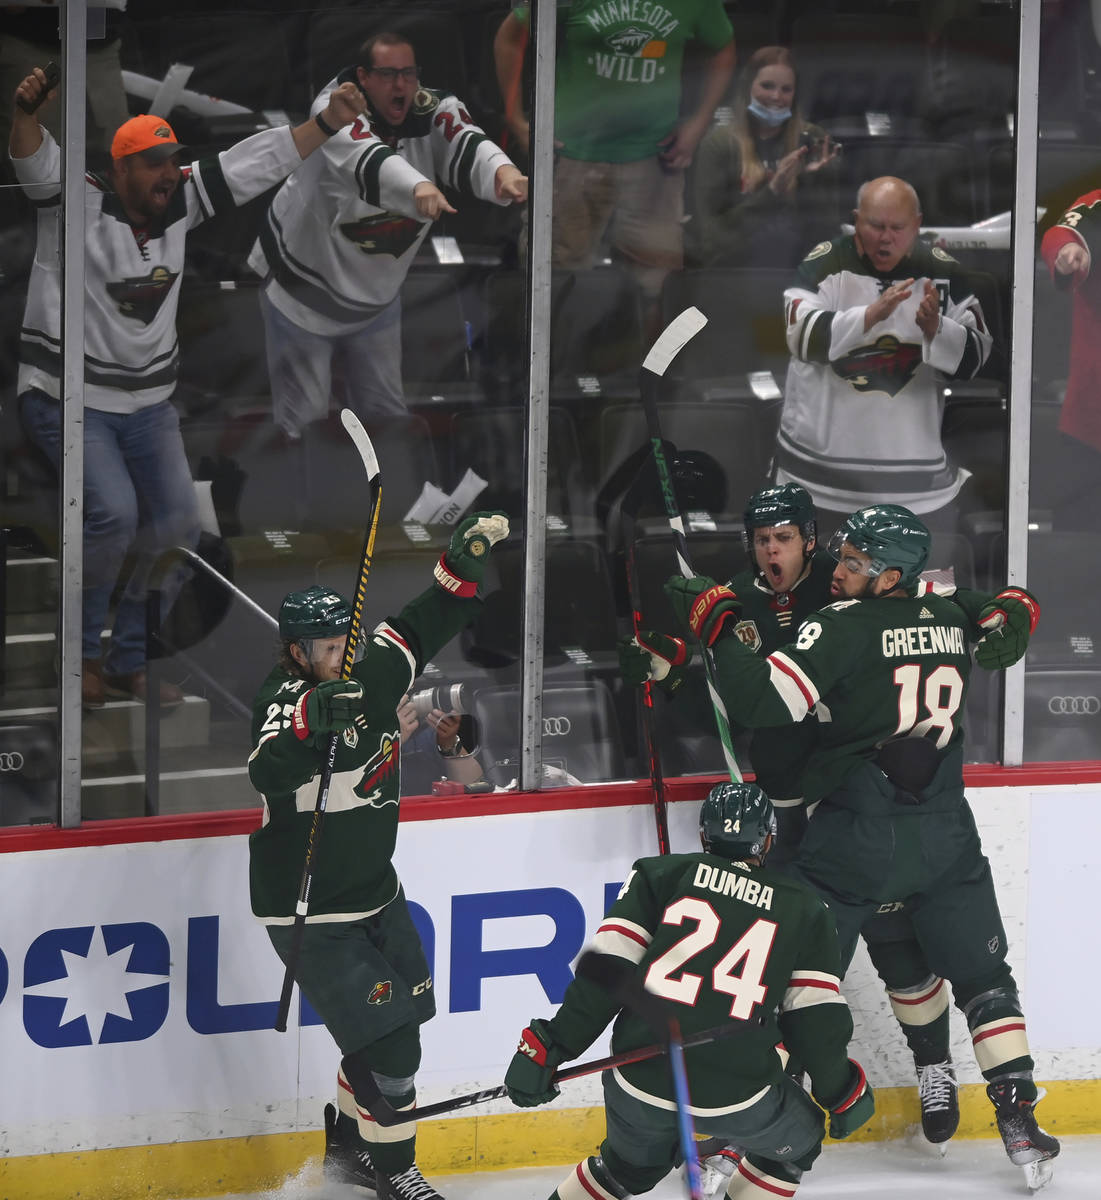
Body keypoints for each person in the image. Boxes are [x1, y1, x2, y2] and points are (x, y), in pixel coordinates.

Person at [663, 504, 1060, 1190]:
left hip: (854, 837)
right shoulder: (945, 616)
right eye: (840, 557)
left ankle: (738, 1132)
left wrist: (718, 625)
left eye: (852, 564)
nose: (838, 571)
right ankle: (1018, 1116)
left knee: (789, 985)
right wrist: (1016, 605)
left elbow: (759, 701)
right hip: (942, 833)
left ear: (888, 576)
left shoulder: (838, 624)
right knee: (987, 982)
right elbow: (980, 608)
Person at [10, 66, 366, 709]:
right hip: (68, 398)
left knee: (179, 524)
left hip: (147, 407)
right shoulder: (75, 200)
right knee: (114, 516)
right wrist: (28, 112)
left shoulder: (182, 201)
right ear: (120, 171)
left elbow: (252, 162)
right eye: (150, 165)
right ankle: (82, 656)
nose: (166, 175)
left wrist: (326, 124)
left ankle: (127, 659)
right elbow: (33, 159)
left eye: (171, 162)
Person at [246, 512, 509, 1200]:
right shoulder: (284, 700)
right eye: (324, 649)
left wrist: (464, 561)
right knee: (395, 1048)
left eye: (344, 642)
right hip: (313, 911)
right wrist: (312, 727)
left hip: (377, 893)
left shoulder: (377, 666)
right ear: (297, 654)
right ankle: (395, 1173)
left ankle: (350, 1150)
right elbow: (267, 768)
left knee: (401, 1025)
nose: (339, 654)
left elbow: (425, 620)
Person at [503, 780, 874, 1200]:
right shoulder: (805, 909)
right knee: (795, 1146)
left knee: (625, 1171)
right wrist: (839, 1090)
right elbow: (815, 1024)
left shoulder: (657, 875)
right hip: (738, 1094)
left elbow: (605, 976)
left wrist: (552, 1046)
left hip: (637, 1077)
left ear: (703, 836)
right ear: (768, 840)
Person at [248, 31, 527, 441]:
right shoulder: (333, 108)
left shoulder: (430, 107)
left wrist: (502, 172)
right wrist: (417, 188)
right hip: (301, 291)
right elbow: (365, 158)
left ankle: (387, 503)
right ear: (363, 77)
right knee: (303, 422)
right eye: (389, 74)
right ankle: (316, 503)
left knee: (386, 417)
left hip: (376, 299)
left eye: (409, 74)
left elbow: (465, 137)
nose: (402, 85)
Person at [493, 0, 735, 333]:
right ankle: (557, 376)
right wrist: (516, 119)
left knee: (659, 289)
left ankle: (653, 380)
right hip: (573, 157)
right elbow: (510, 36)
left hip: (653, 162)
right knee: (554, 279)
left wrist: (699, 122)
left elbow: (723, 48)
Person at [776, 176, 993, 536]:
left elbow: (978, 355)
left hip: (917, 491)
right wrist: (868, 317)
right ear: (856, 220)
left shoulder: (943, 272)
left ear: (917, 225)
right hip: (816, 483)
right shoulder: (826, 263)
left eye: (897, 227)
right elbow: (800, 336)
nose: (885, 237)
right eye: (875, 226)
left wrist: (935, 330)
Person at [689, 45, 840, 270]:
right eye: (767, 86)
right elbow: (710, 241)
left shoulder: (812, 140)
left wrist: (812, 184)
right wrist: (772, 194)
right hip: (734, 272)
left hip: (797, 271)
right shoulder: (719, 144)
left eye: (786, 89)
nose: (776, 96)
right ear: (747, 87)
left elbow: (827, 240)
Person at [1039, 189, 1101, 528]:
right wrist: (1066, 252)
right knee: (1077, 556)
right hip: (1091, 431)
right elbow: (1063, 234)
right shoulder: (1098, 204)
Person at [397, 689, 484, 797]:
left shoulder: (426, 736)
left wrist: (451, 744)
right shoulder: (370, 743)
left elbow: (473, 785)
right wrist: (390, 740)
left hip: (435, 811)